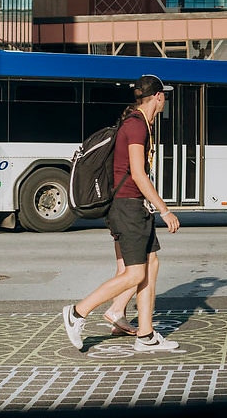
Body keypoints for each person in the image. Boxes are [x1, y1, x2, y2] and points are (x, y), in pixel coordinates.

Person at [62, 75, 181, 352]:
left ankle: (146, 335)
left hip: (133, 206)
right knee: (134, 274)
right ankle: (77, 312)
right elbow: (138, 174)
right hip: (128, 207)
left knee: (150, 266)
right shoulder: (136, 126)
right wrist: (165, 210)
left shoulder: (138, 123)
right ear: (158, 97)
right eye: (165, 96)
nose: (166, 100)